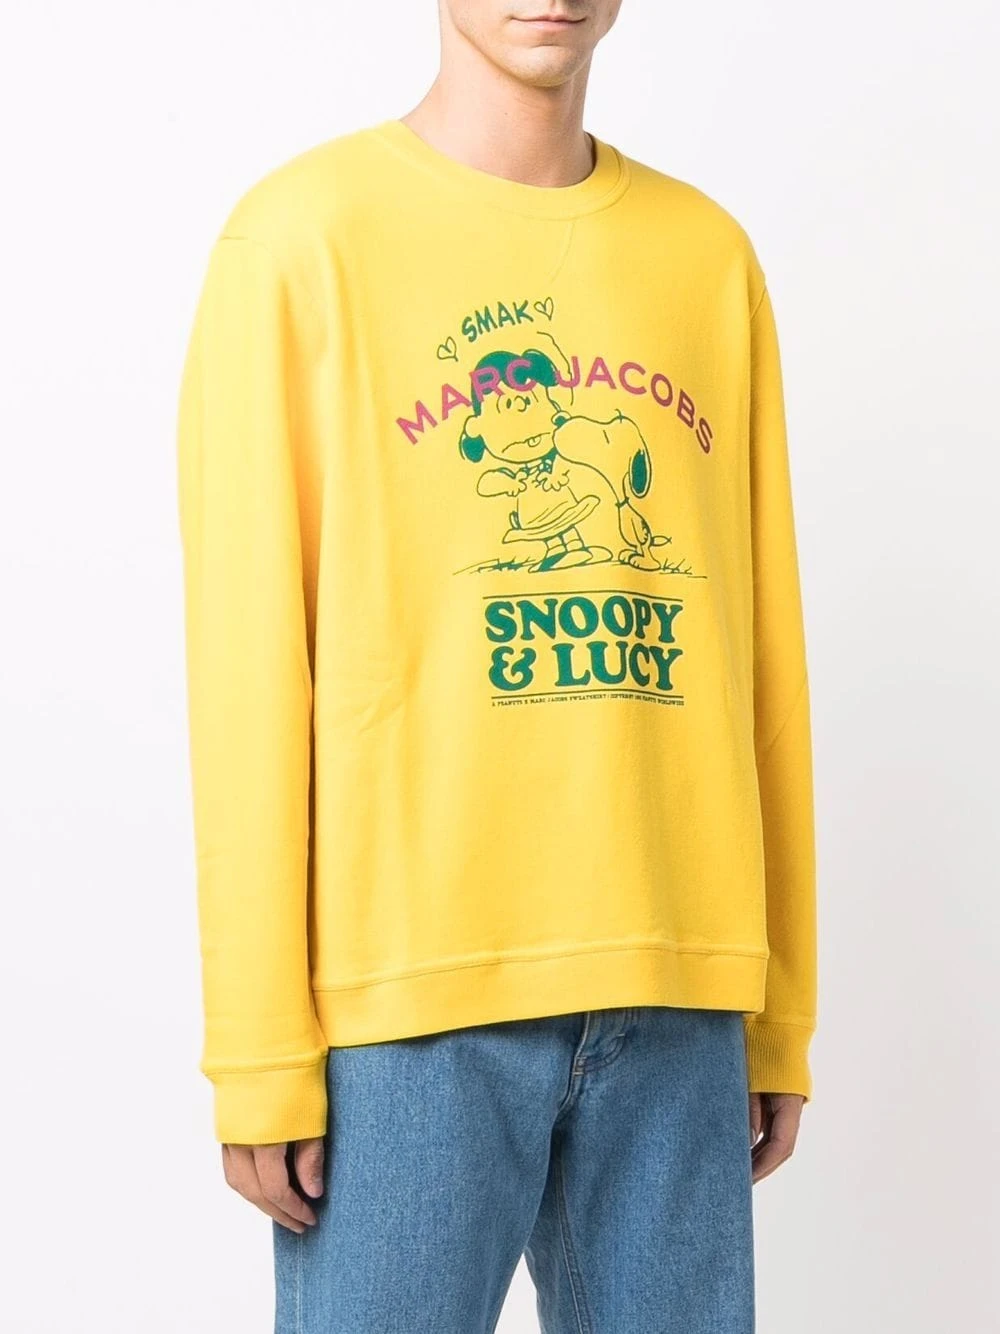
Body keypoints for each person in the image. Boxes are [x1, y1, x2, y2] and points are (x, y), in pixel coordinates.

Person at [175, 2, 818, 1330]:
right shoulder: (301, 243)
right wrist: (257, 1043)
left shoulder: (706, 258)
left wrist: (776, 1005)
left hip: (678, 987)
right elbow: (249, 673)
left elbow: (763, 660)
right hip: (406, 1010)